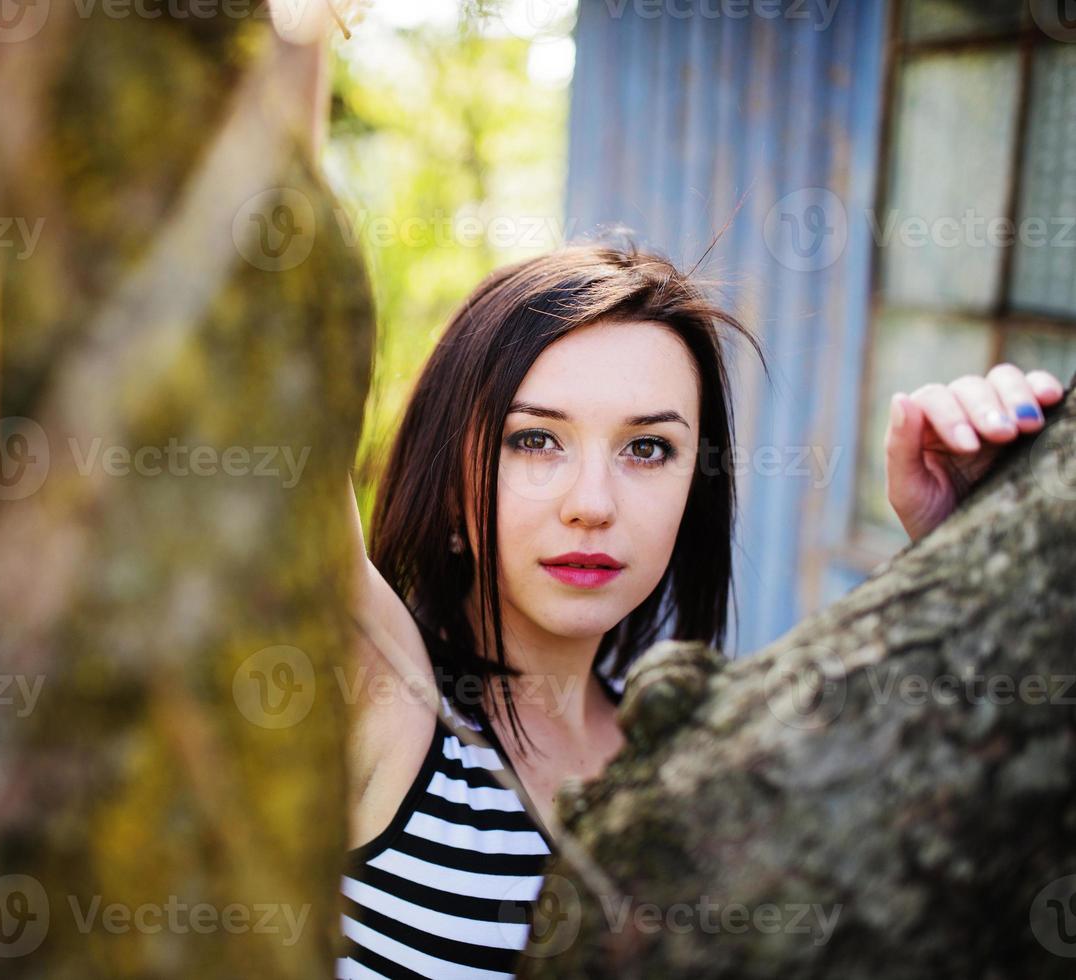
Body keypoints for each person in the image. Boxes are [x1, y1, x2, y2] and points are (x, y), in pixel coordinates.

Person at [332, 241, 1068, 979]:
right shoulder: (386, 690)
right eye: (534, 440)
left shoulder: (699, 749)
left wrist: (968, 550)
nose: (592, 504)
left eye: (647, 449)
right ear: (452, 474)